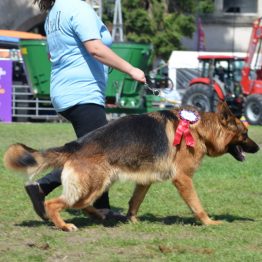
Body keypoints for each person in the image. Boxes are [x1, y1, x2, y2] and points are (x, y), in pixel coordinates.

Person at [26, 0, 146, 221]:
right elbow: (95, 48)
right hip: (82, 92)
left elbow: (52, 55)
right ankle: (44, 186)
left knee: (95, 151)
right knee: (99, 153)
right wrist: (131, 69)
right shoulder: (77, 8)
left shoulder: (55, 12)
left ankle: (100, 207)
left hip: (66, 90)